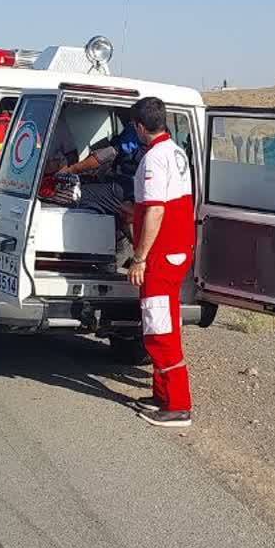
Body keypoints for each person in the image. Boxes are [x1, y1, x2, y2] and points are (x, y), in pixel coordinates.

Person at [125, 96, 196, 427]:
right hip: (177, 251)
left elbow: (156, 210)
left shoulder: (154, 159)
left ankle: (178, 404)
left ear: (140, 127)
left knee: (159, 329)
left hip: (161, 256)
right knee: (162, 321)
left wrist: (139, 258)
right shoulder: (177, 152)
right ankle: (161, 394)